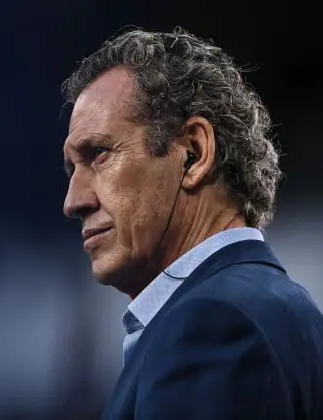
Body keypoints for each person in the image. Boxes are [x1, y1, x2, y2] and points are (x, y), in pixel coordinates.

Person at [61, 27, 323, 419]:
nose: (73, 201)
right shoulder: (289, 311)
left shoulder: (213, 325)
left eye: (99, 153)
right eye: (71, 170)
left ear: (193, 154)